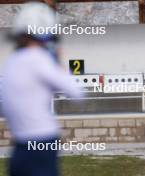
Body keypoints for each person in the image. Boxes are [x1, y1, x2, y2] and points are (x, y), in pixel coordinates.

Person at [2, 2, 81, 176]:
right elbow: (76, 92)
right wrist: (58, 61)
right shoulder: (39, 59)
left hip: (19, 147)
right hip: (42, 143)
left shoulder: (11, 62)